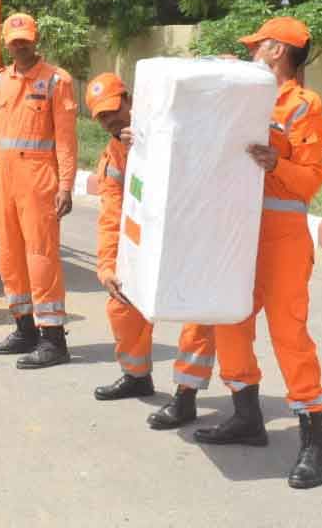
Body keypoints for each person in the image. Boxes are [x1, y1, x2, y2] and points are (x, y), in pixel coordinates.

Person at [192, 17, 322, 490]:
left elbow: (312, 178)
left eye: (257, 46)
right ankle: (246, 416)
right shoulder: (245, 96)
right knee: (229, 320)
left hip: (281, 237)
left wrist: (279, 163)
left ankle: (314, 439)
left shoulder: (303, 106)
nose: (252, 52)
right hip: (237, 232)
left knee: (289, 335)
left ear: (277, 50)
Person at [85, 72, 218, 428]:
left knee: (196, 315)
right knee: (121, 306)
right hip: (141, 242)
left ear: (130, 100)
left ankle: (186, 396)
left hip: (186, 236)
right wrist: (107, 266)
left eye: (115, 109)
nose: (111, 119)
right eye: (102, 116)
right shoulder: (113, 154)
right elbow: (110, 214)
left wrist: (147, 145)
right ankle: (136, 376)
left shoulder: (165, 130)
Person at [0, 13, 77, 369]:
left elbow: (66, 140)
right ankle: (24, 328)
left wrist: (66, 185)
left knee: (41, 257)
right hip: (6, 178)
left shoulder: (55, 81)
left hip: (39, 177)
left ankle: (53, 339)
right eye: (14, 40)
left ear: (36, 39)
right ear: (5, 42)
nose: (20, 45)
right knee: (9, 257)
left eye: (25, 39)